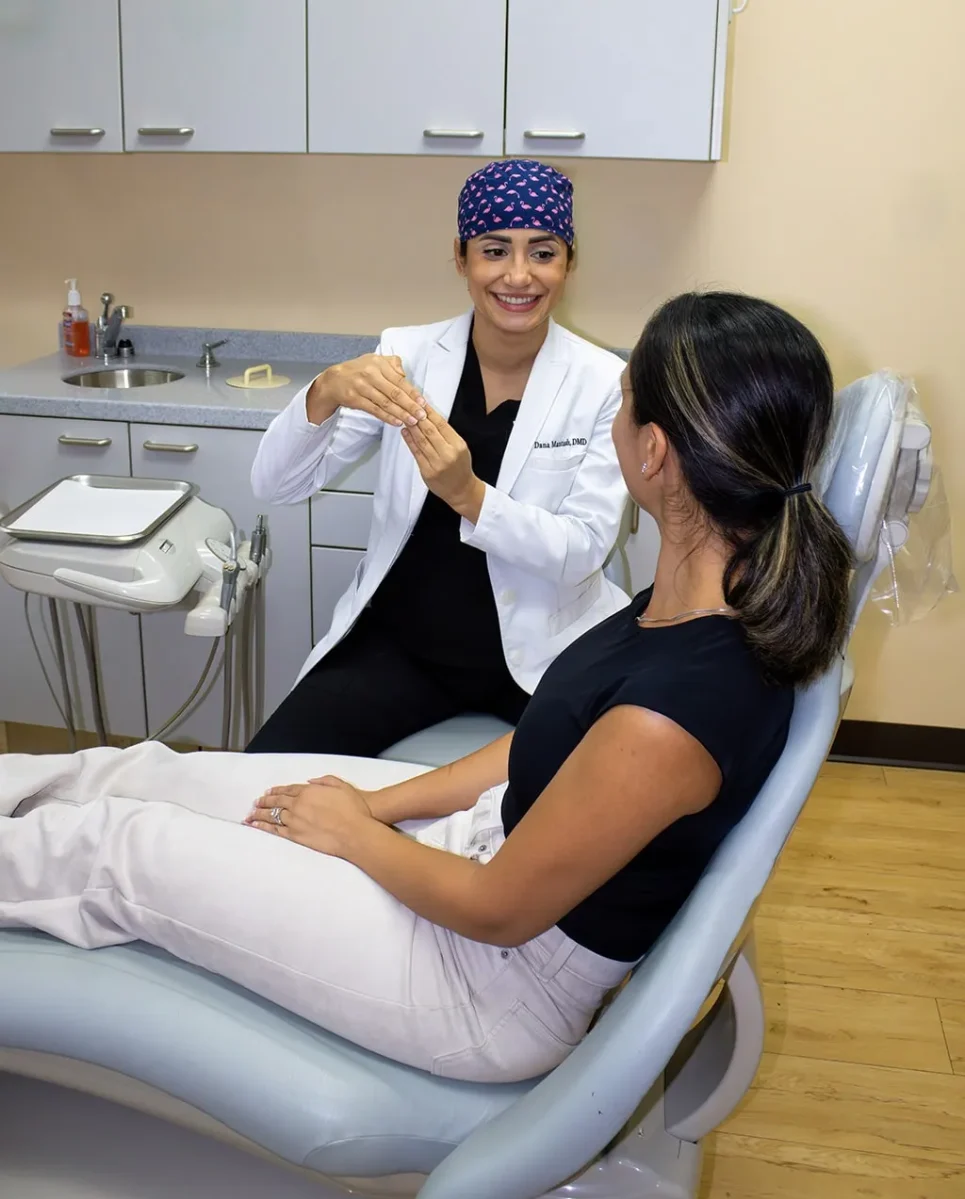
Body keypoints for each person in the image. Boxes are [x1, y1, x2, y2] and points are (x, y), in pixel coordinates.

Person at [0, 292, 853, 1085]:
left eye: (625, 403)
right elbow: (542, 746)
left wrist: (354, 834)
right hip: (482, 844)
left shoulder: (679, 710)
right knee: (148, 772)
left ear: (654, 450)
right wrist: (383, 804)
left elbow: (495, 912)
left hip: (484, 985)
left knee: (122, 848)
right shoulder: (691, 605)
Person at [246, 159, 629, 755]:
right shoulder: (408, 357)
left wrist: (468, 496)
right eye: (495, 250)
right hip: (402, 645)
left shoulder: (605, 382)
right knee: (271, 773)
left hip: (543, 650)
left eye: (543, 252)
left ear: (569, 262)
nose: (519, 276)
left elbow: (582, 550)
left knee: (569, 821)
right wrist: (323, 393)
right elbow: (276, 485)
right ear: (461, 257)